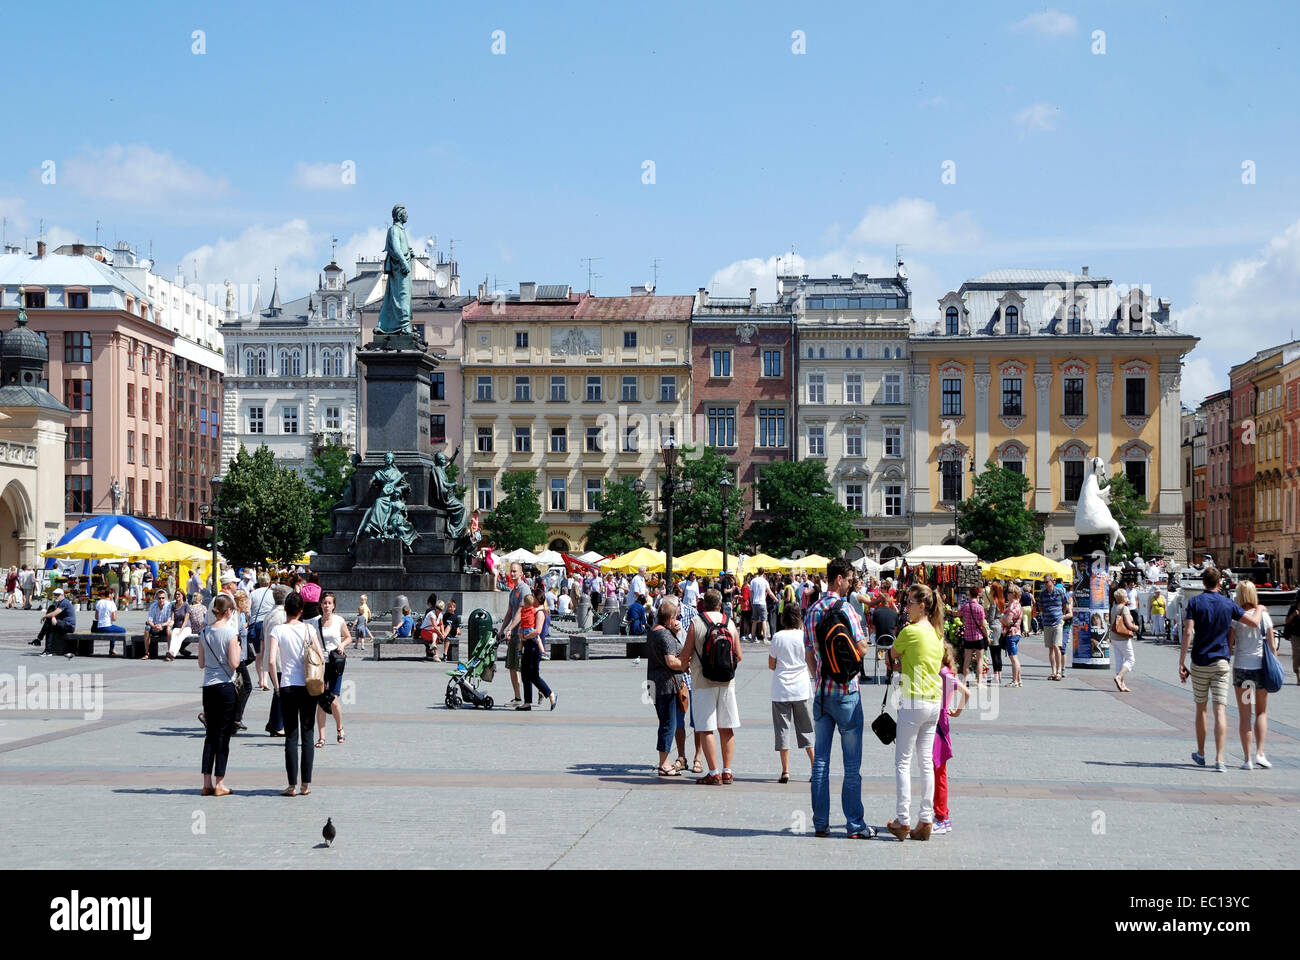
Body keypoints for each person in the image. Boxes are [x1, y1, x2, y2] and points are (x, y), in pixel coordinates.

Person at [803, 557, 870, 837]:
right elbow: (863, 648)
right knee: (851, 765)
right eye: (849, 579)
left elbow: (809, 655)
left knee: (820, 763)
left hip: (821, 694)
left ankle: (820, 824)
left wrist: (820, 673)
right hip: (847, 694)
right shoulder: (848, 609)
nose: (851, 584)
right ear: (839, 579)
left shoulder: (812, 611)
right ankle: (854, 825)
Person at [1181, 567, 1262, 773]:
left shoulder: (1195, 602)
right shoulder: (1228, 604)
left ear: (1203, 582)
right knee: (1220, 710)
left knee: (1201, 708)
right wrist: (1260, 608)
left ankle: (1200, 753)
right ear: (1219, 583)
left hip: (1199, 662)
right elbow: (1252, 622)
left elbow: (1189, 631)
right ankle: (1220, 759)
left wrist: (1181, 661)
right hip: (1221, 663)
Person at [886, 583, 945, 841]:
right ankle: (925, 820)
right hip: (934, 701)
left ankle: (903, 819)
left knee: (903, 761)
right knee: (925, 763)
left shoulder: (910, 632)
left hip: (913, 699)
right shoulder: (936, 633)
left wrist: (899, 665)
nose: (905, 607)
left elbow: (890, 656)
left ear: (922, 606)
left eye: (909, 603)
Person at [680, 588, 741, 785]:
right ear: (720, 603)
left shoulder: (696, 623)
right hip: (726, 681)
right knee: (726, 727)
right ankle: (727, 771)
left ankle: (713, 772)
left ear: (703, 603)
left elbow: (685, 657)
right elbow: (738, 655)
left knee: (706, 728)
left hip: (702, 681)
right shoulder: (729, 622)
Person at [267, 590, 325, 796]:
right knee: (308, 735)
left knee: (291, 736)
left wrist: (276, 685)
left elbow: (272, 661)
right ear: (301, 611)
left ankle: (291, 785)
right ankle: (305, 785)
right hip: (309, 686)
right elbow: (321, 657)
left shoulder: (277, 630)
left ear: (285, 610)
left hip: (287, 686)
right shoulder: (309, 629)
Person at [198, 594, 241, 797]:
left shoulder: (204, 632)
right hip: (225, 687)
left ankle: (206, 782)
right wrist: (238, 649)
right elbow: (234, 664)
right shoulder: (230, 633)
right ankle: (220, 782)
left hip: (208, 686)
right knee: (223, 736)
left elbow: (201, 662)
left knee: (210, 735)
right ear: (229, 611)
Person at [1231, 580, 1275, 770]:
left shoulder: (1236, 618)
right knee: (1261, 712)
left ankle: (1247, 759)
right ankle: (1260, 753)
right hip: (1260, 669)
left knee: (1244, 715)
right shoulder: (1264, 616)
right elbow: (1272, 647)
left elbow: (1230, 643)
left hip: (1242, 669)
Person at [769, 605, 814, 783]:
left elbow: (771, 664)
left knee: (782, 729)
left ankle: (785, 770)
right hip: (801, 688)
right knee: (806, 729)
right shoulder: (804, 636)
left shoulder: (777, 637)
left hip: (781, 689)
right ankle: (814, 767)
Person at [931, 640, 970, 835]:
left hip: (938, 726)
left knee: (939, 773)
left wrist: (958, 711)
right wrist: (956, 711)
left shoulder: (942, 673)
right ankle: (941, 814)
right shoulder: (946, 672)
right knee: (938, 772)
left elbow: (967, 692)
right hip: (940, 722)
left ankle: (942, 817)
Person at [648, 596, 688, 775]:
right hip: (667, 685)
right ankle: (664, 763)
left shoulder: (654, 630)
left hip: (654, 682)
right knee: (668, 723)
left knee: (665, 721)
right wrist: (686, 665)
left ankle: (664, 761)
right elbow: (671, 661)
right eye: (676, 616)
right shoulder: (664, 634)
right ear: (670, 618)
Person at [314, 591, 352, 747]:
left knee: (334, 700)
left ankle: (339, 728)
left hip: (335, 663)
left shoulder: (339, 620)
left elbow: (348, 637)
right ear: (320, 605)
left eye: (329, 603)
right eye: (324, 603)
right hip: (320, 664)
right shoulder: (315, 623)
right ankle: (321, 737)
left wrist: (342, 645)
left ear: (334, 605)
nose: (327, 606)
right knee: (321, 701)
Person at [519, 583, 557, 711]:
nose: (530, 598)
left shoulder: (540, 612)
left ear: (536, 598)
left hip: (534, 647)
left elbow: (537, 631)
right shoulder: (535, 611)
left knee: (533, 675)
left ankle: (550, 694)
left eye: (532, 596)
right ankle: (527, 702)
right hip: (530, 645)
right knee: (525, 673)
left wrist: (525, 636)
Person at [262, 584, 290, 737]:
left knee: (278, 691)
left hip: (272, 657)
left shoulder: (270, 613)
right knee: (281, 692)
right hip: (279, 659)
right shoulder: (282, 615)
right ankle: (277, 724)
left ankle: (273, 722)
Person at [501, 561, 530, 705]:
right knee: (512, 666)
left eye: (514, 571)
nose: (512, 574)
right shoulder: (513, 591)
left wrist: (511, 628)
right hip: (513, 634)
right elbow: (510, 612)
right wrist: (502, 629)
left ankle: (541, 689)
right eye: (511, 571)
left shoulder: (524, 589)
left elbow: (520, 611)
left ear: (521, 573)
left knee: (522, 667)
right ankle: (518, 698)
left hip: (521, 634)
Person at [1039, 574, 1072, 681]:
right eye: (1044, 582)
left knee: (1057, 646)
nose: (1045, 584)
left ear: (1052, 582)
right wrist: (1045, 615)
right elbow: (1040, 606)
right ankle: (1053, 671)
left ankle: (1059, 671)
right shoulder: (1043, 594)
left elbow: (1066, 605)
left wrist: (1061, 615)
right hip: (1047, 623)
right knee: (1050, 648)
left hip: (1058, 622)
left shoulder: (1060, 592)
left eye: (1047, 582)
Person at [957, 585, 988, 685]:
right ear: (978, 595)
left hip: (968, 636)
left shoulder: (965, 607)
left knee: (967, 660)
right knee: (979, 660)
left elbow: (958, 613)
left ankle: (964, 681)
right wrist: (987, 635)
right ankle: (979, 682)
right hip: (978, 637)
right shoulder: (980, 608)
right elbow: (983, 624)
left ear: (969, 595)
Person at [34, 587, 77, 658]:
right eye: (55, 595)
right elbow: (55, 614)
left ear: (62, 595)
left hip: (69, 626)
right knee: (50, 627)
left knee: (48, 622)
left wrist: (45, 616)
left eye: (58, 595)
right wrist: (53, 617)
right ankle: (45, 647)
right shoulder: (59, 603)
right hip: (63, 624)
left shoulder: (64, 602)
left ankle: (42, 644)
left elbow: (55, 613)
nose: (56, 596)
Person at [1109, 587, 1138, 693]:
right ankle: (1119, 677)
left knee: (1119, 660)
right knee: (1131, 659)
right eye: (1126, 596)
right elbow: (1129, 625)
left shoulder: (1114, 607)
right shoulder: (1124, 609)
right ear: (1123, 598)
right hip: (1122, 637)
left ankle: (1122, 684)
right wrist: (1136, 628)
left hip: (1114, 636)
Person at [92, 586, 127, 656]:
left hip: (99, 627)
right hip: (107, 626)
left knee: (113, 631)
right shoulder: (112, 603)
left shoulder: (99, 602)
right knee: (123, 630)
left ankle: (112, 649)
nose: (113, 596)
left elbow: (96, 617)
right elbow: (114, 618)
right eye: (113, 594)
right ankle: (112, 648)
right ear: (110, 594)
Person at [1002, 584, 1024, 687]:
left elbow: (1007, 621)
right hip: (1016, 632)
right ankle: (1018, 680)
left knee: (1013, 658)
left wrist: (1000, 618)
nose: (1007, 594)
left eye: (1009, 592)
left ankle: (1015, 680)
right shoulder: (1017, 604)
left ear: (1014, 594)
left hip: (1011, 633)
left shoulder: (1013, 606)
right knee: (1015, 657)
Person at [985, 581, 1005, 685]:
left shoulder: (993, 602)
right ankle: (999, 674)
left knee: (993, 652)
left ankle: (996, 675)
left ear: (994, 590)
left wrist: (986, 618)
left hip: (993, 627)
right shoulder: (1002, 601)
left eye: (991, 588)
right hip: (1000, 626)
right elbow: (1002, 616)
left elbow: (991, 618)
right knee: (998, 652)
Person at [144, 588, 172, 661]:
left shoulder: (168, 605)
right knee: (147, 628)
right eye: (159, 598)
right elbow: (150, 619)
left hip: (164, 626)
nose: (161, 600)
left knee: (169, 629)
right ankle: (147, 653)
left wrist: (161, 625)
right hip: (155, 626)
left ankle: (169, 653)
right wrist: (154, 626)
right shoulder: (153, 605)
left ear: (165, 598)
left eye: (163, 598)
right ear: (157, 598)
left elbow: (169, 620)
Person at [166, 588, 191, 661]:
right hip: (177, 627)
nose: (177, 596)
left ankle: (173, 654)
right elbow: (172, 620)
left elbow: (186, 621)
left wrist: (181, 630)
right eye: (176, 594)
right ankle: (170, 651)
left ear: (182, 595)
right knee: (174, 635)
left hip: (186, 628)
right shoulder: (174, 606)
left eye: (179, 594)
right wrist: (169, 626)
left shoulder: (186, 605)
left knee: (179, 637)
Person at [749, 569, 770, 643]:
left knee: (754, 621)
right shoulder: (765, 581)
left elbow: (751, 593)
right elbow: (769, 592)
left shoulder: (753, 581)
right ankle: (765, 638)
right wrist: (775, 599)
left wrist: (751, 602)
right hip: (762, 602)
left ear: (758, 572)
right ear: (763, 572)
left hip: (755, 602)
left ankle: (753, 637)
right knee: (764, 620)